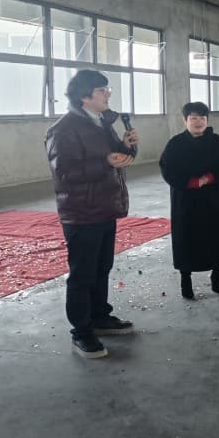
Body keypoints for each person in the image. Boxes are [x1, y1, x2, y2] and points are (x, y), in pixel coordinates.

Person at [45, 69, 138, 359]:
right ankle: (81, 332)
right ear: (84, 96)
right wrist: (106, 161)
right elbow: (65, 172)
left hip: (105, 207)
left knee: (102, 268)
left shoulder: (101, 123)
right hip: (82, 212)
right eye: (102, 90)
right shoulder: (64, 129)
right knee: (83, 274)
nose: (108, 94)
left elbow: (116, 158)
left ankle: (99, 316)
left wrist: (126, 147)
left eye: (107, 89)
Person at [159, 102, 219, 300]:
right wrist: (190, 182)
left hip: (214, 199)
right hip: (186, 200)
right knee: (186, 239)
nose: (198, 122)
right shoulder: (175, 144)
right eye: (193, 118)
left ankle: (216, 276)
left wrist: (210, 178)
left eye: (202, 118)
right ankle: (186, 279)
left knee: (216, 237)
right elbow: (167, 168)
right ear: (185, 120)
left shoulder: (216, 141)